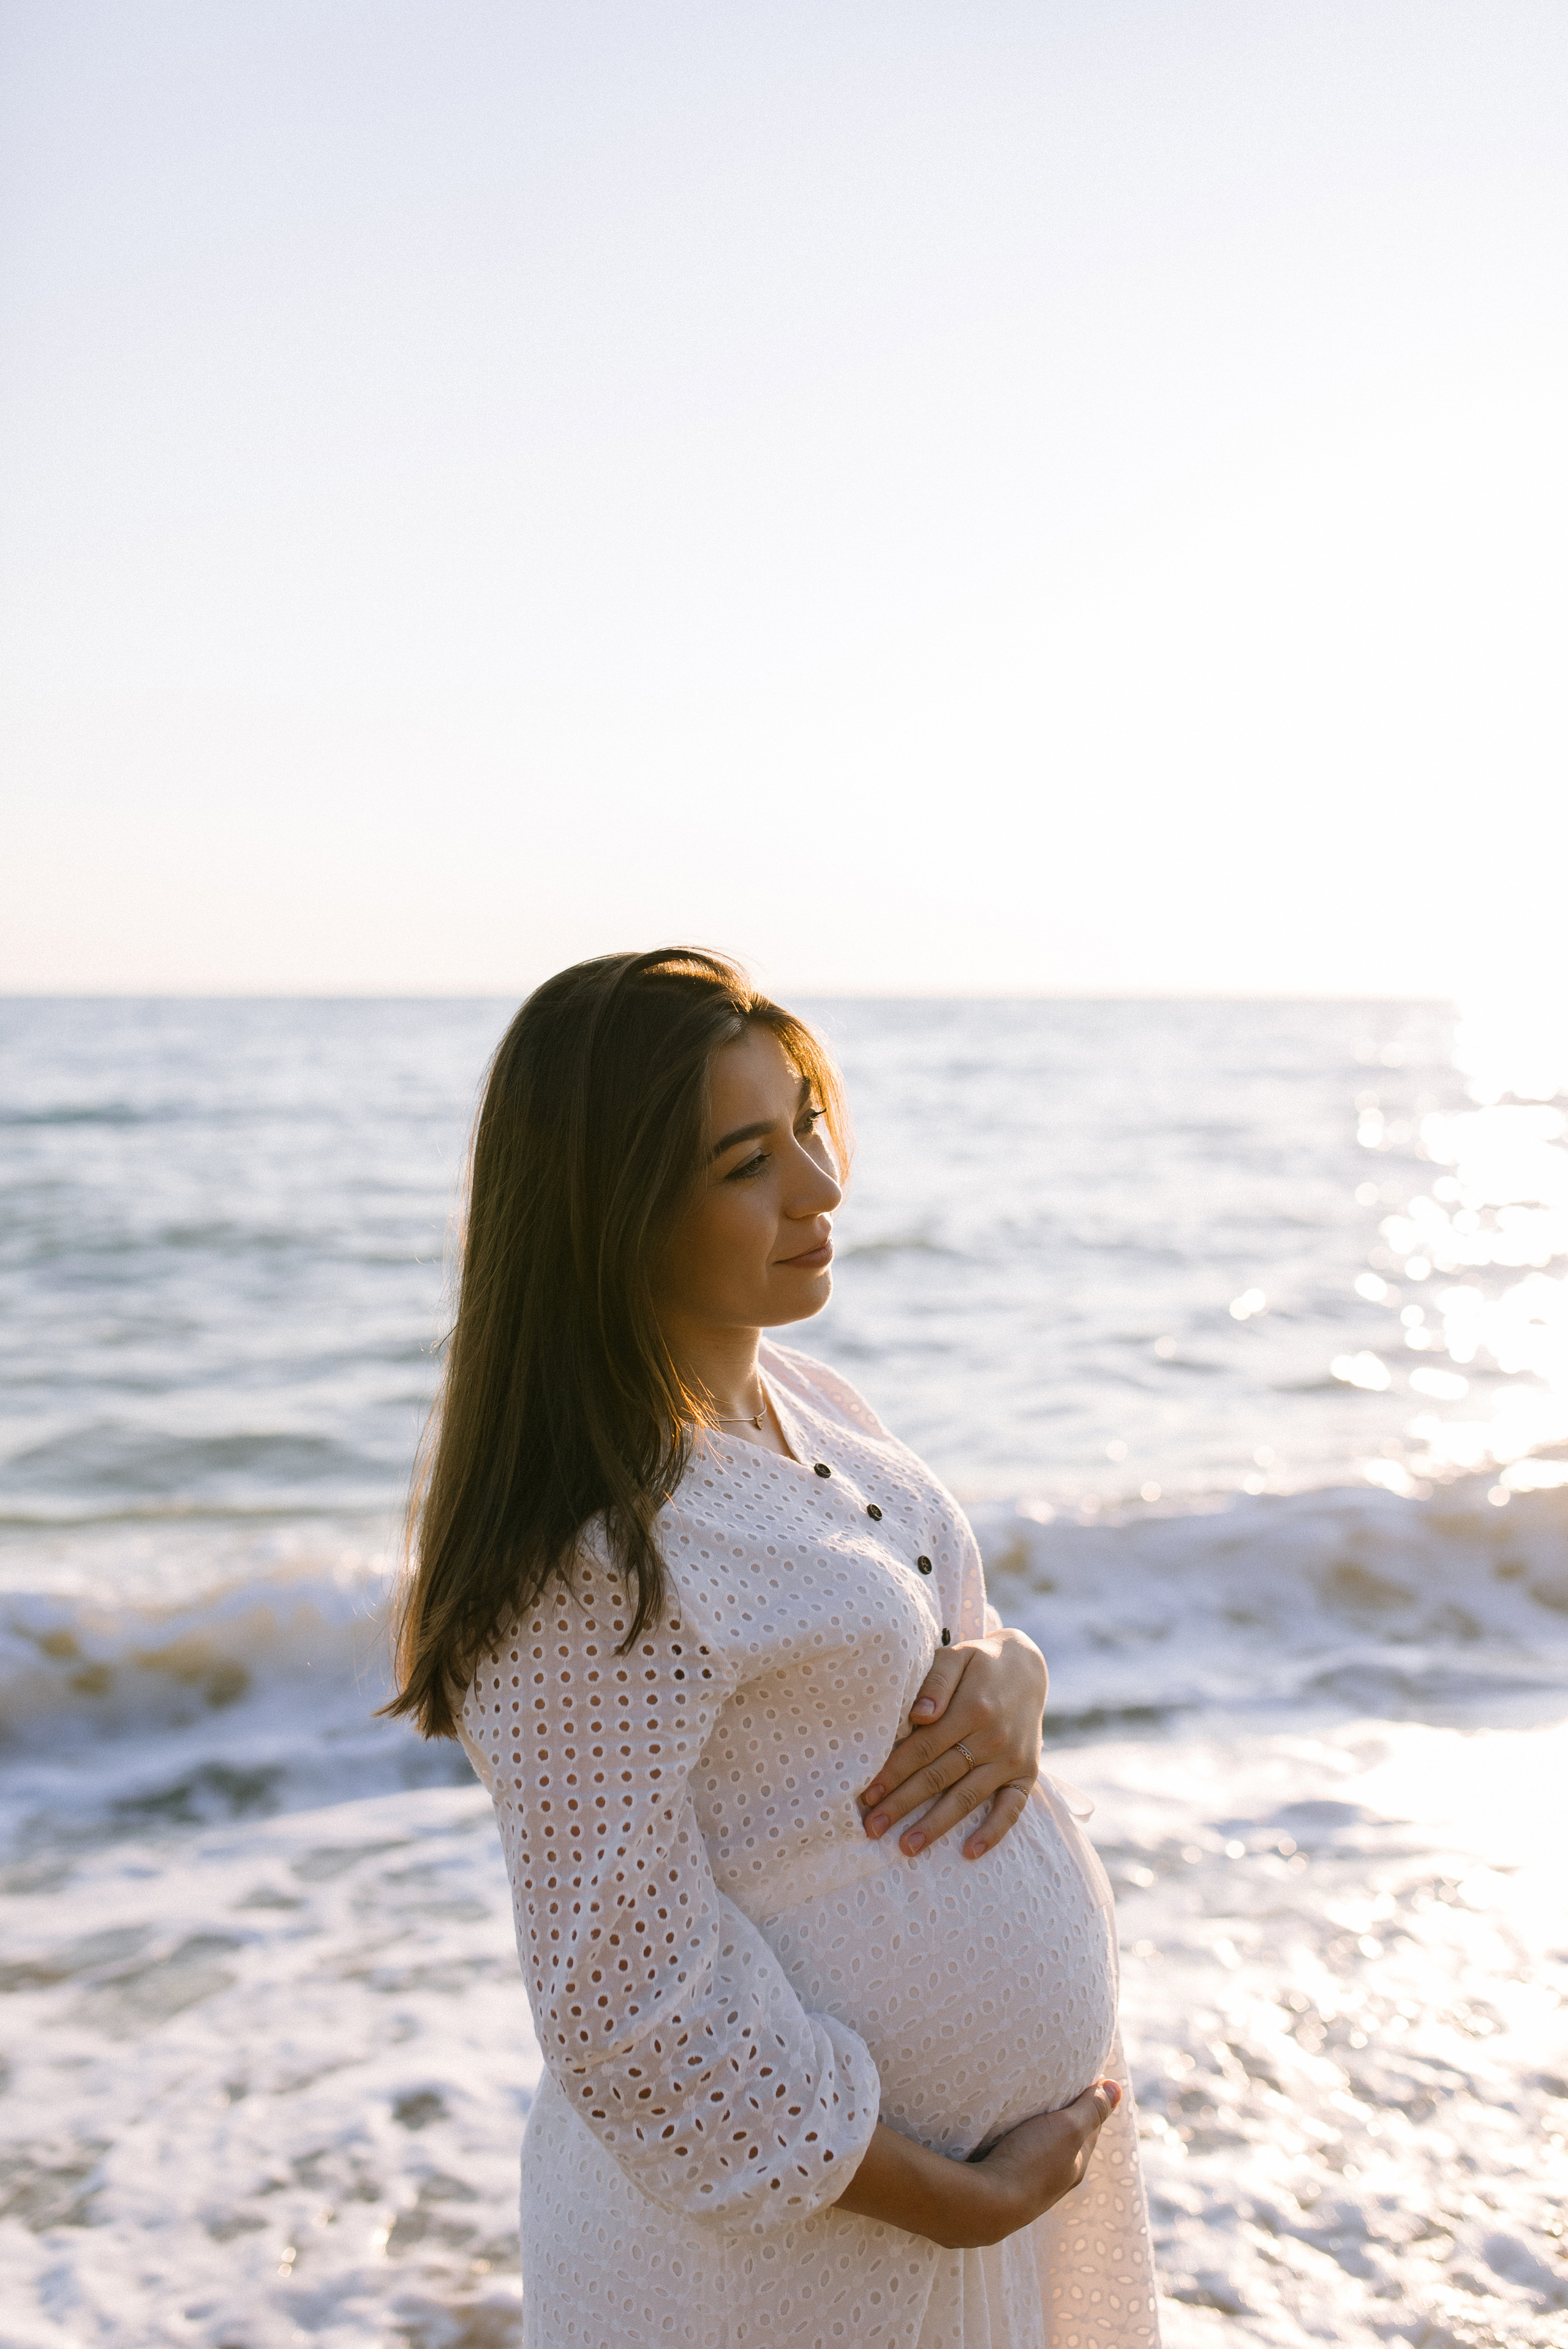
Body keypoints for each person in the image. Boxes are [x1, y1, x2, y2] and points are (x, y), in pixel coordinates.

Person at [386, 948, 1160, 2349]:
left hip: (933, 2241)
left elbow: (905, 1653)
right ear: (610, 1213)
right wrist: (942, 2198)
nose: (821, 1185)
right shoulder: (591, 1555)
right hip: (788, 2272)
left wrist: (1017, 1672)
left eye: (806, 1120)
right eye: (749, 1160)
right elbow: (625, 2011)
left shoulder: (806, 1399)